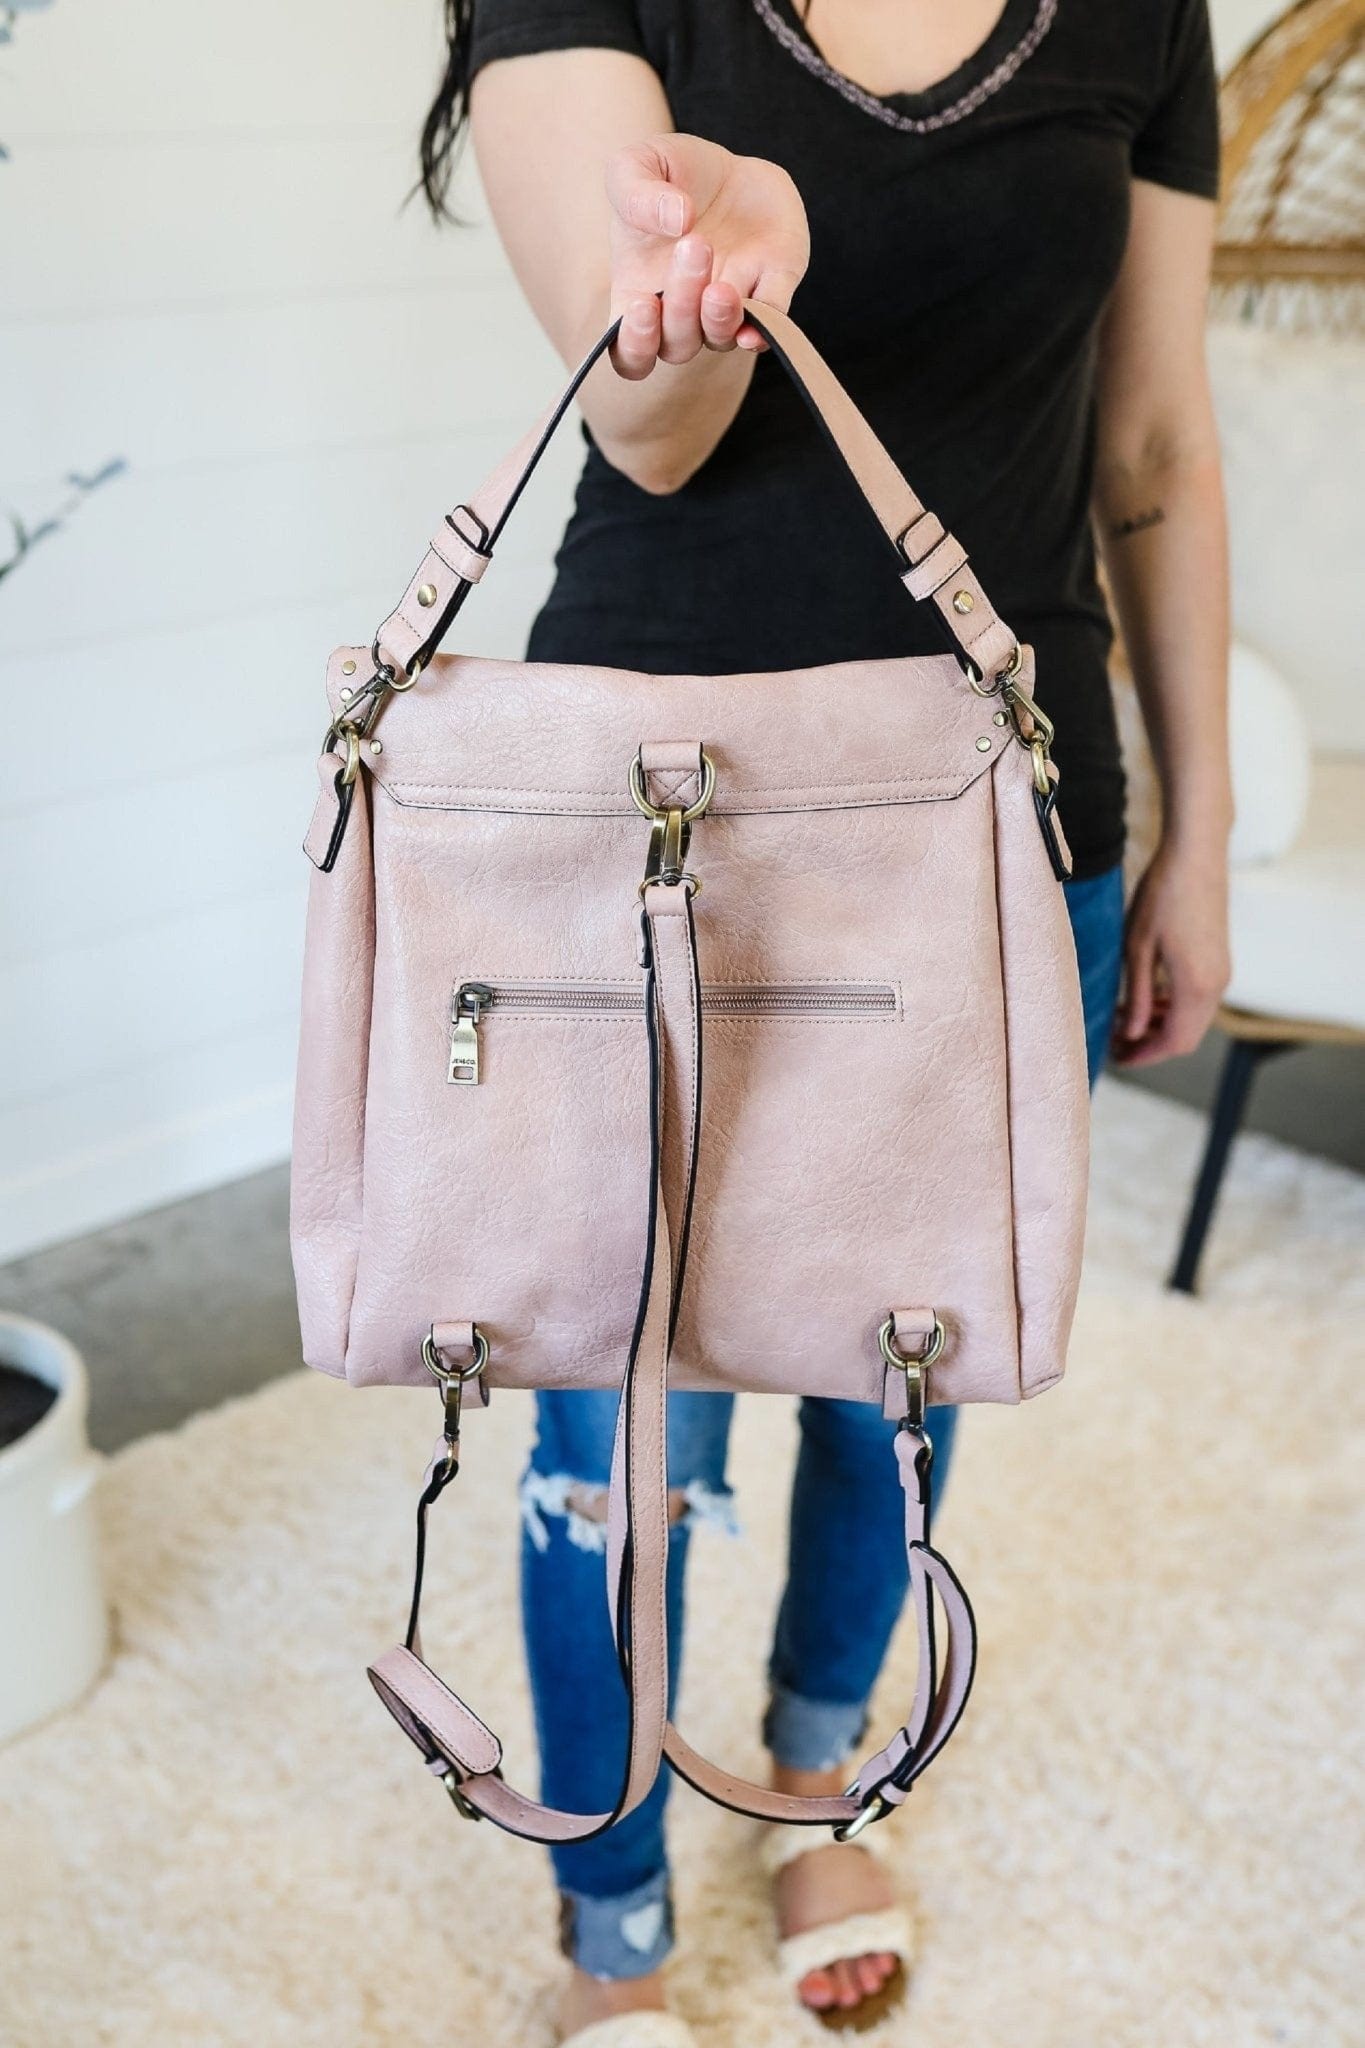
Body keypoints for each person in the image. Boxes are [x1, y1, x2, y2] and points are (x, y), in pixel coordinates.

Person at [419, 2, 1232, 2038]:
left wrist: (1194, 832)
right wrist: (724, 255)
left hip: (999, 810)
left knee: (904, 1379)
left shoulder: (1137, 7)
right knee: (621, 1430)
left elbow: (1145, 441)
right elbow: (642, 431)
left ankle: (807, 1774)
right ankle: (608, 1916)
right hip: (656, 824)